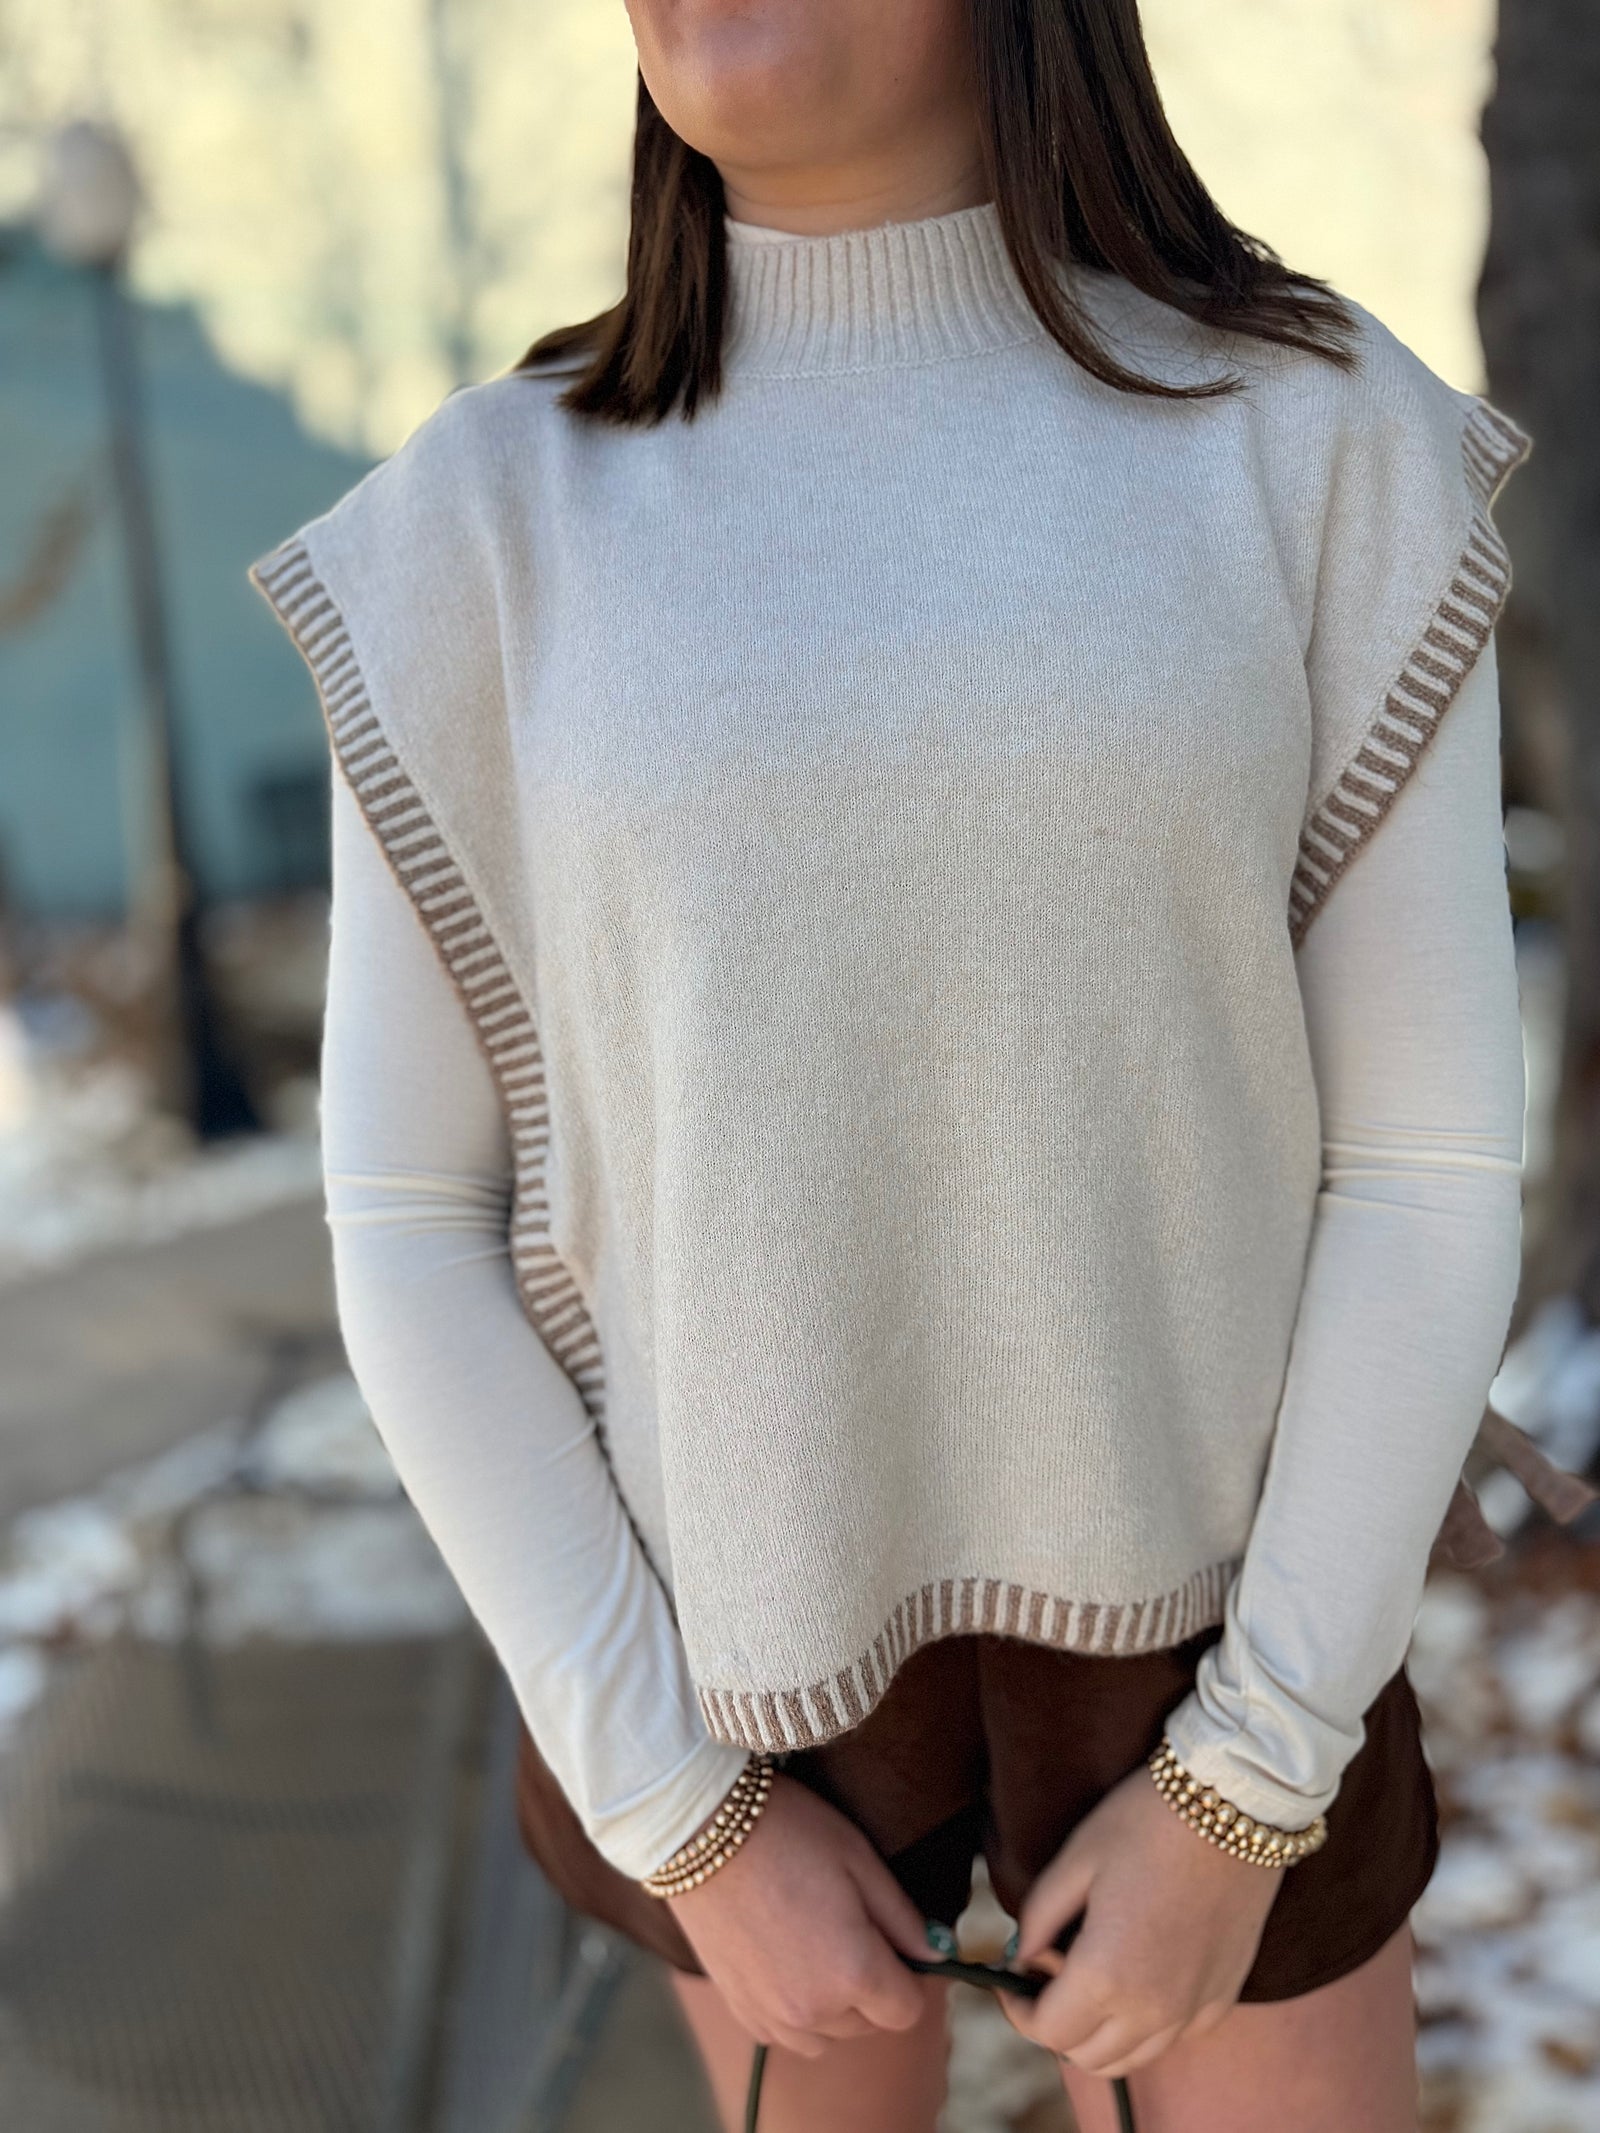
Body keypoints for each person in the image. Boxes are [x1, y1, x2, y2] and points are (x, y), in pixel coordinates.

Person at [249, 4, 1536, 2127]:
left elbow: (1415, 1161)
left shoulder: (1306, 436)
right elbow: (409, 1220)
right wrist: (674, 1802)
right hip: (711, 1643)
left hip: (1225, 1613)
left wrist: (1246, 1776)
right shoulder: (482, 518)